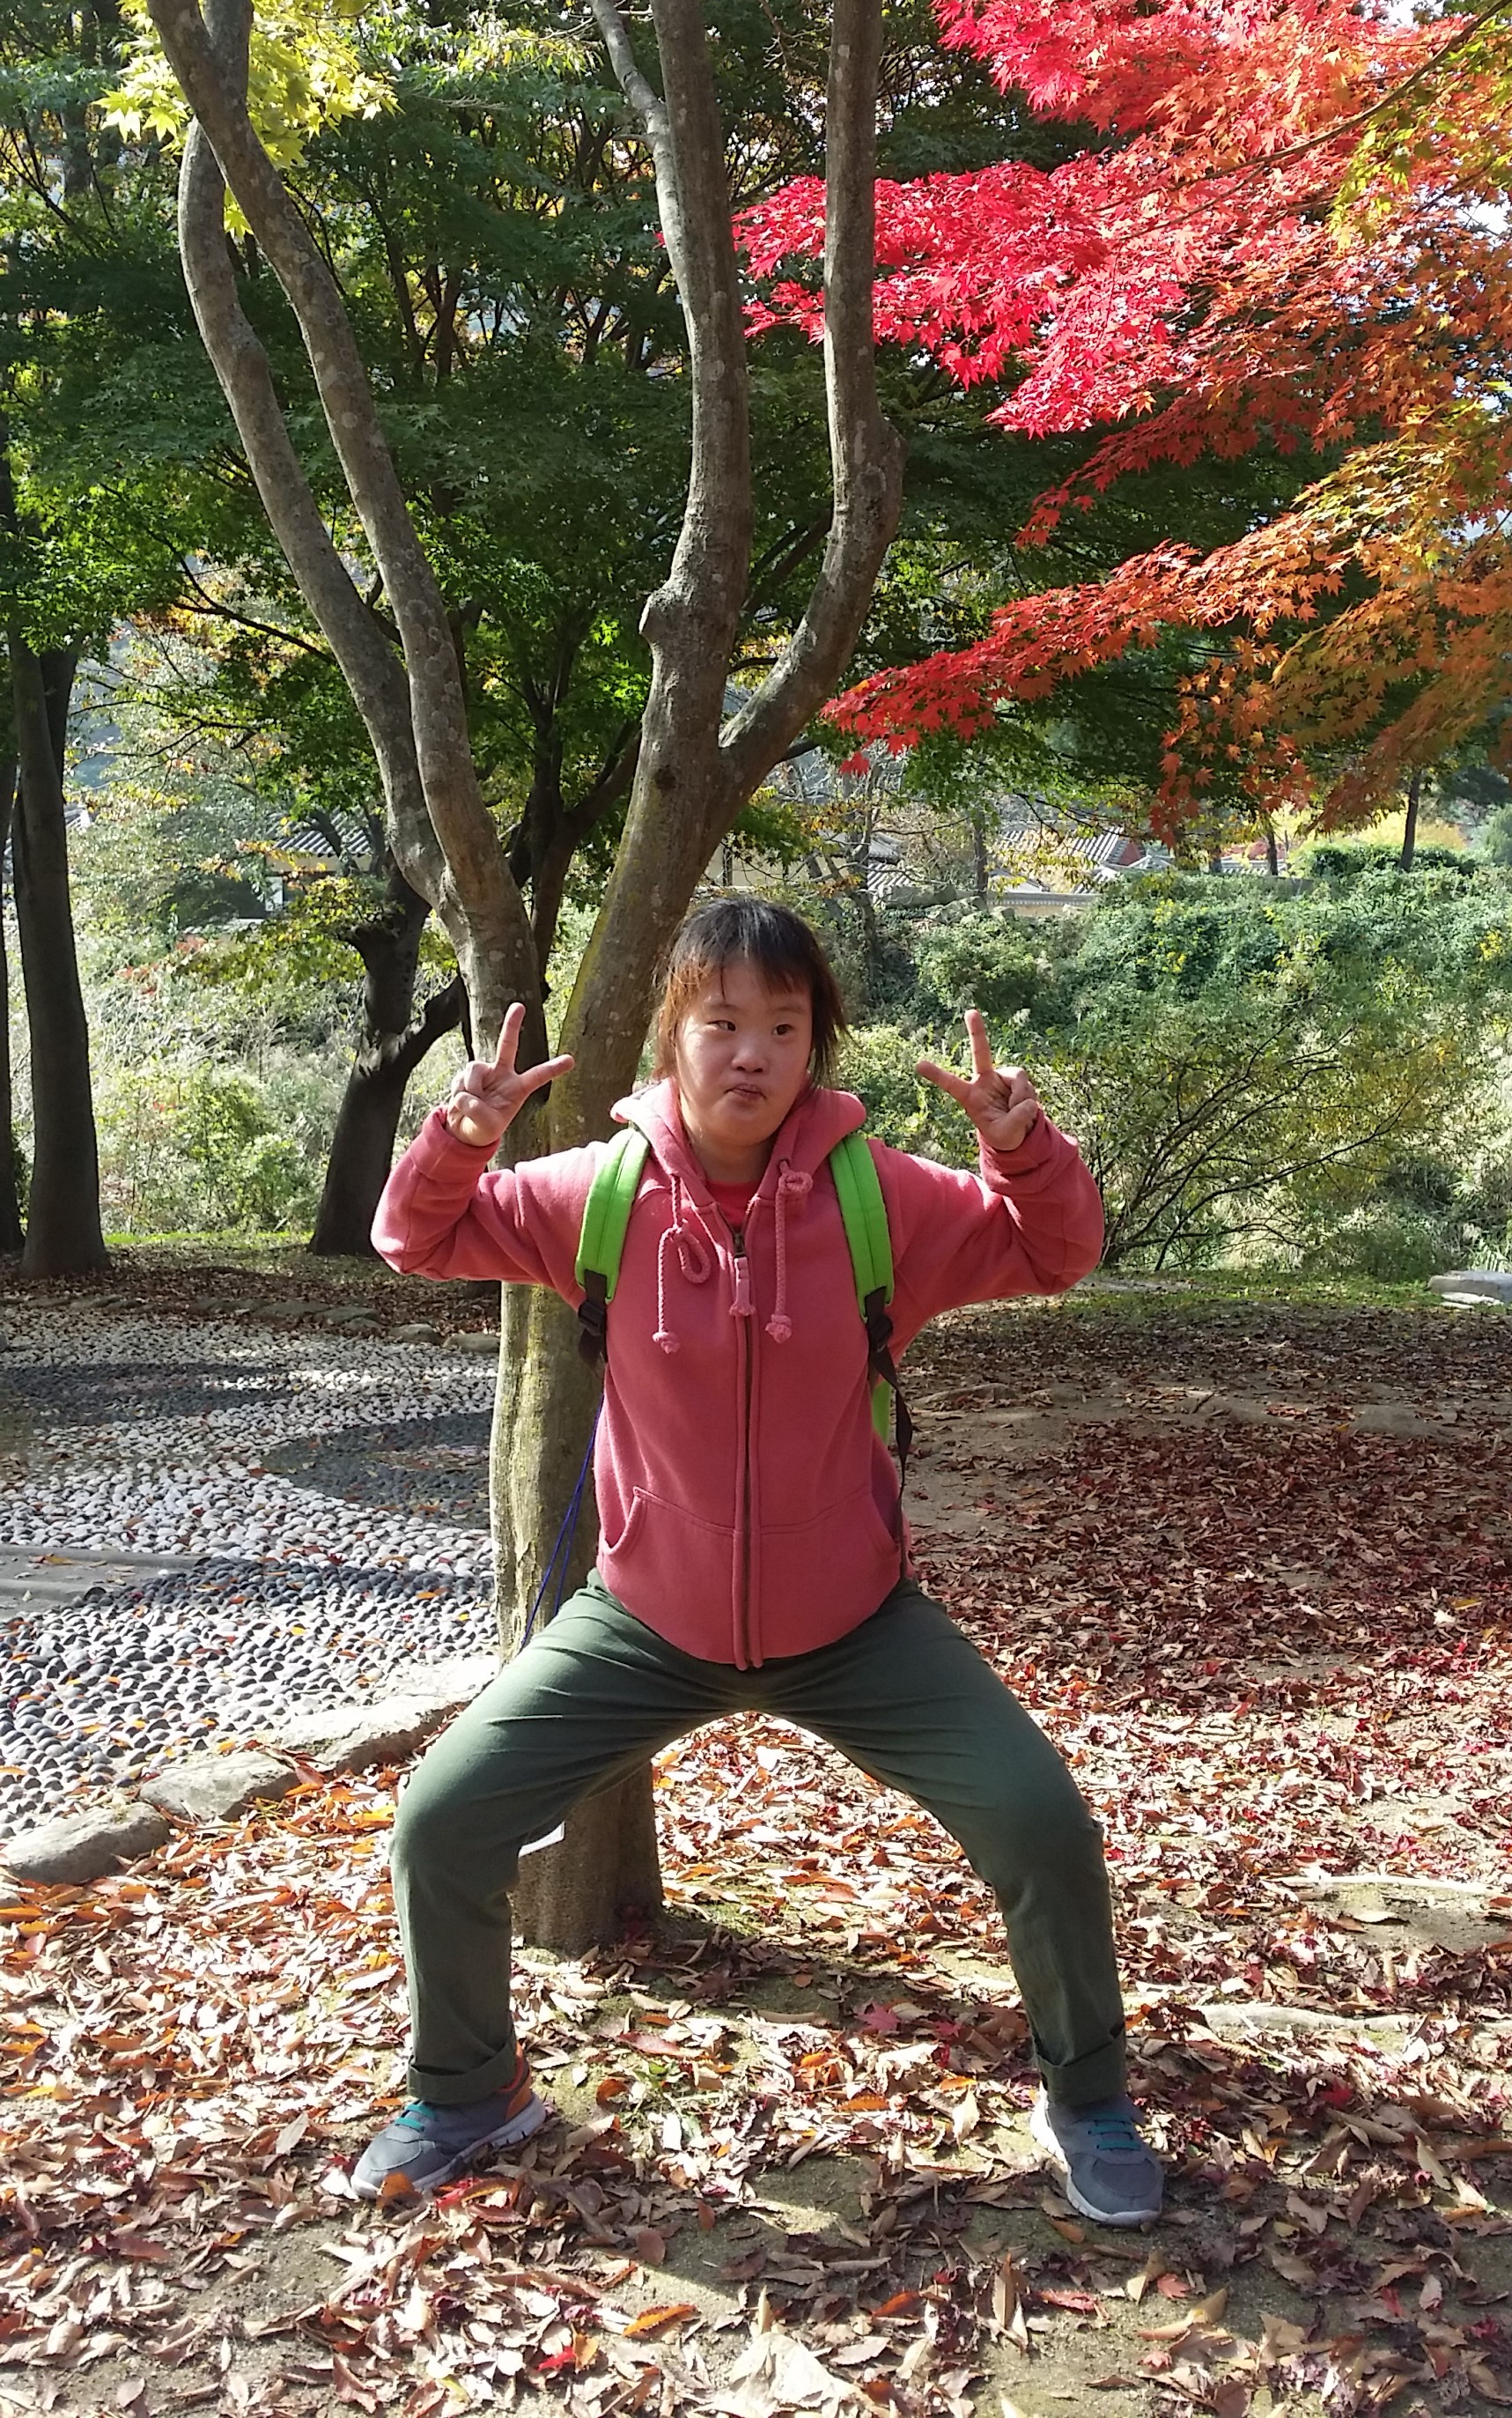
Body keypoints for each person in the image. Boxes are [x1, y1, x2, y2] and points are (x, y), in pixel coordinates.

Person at [358, 898, 1163, 2227]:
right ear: (673, 1034)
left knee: (1043, 1826)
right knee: (443, 1820)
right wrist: (461, 1134)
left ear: (813, 1046)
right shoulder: (597, 1194)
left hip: (855, 1622)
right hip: (645, 1620)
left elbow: (1053, 1252)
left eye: (784, 1027)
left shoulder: (877, 1196)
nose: (753, 1053)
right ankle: (467, 2092)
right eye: (723, 1022)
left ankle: (1090, 2098)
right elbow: (419, 1238)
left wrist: (1020, 1148)